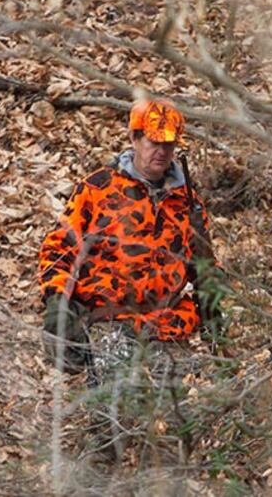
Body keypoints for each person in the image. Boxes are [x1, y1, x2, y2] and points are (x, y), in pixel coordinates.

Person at [37, 98, 218, 378]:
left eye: (168, 144)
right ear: (134, 138)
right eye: (153, 142)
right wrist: (56, 302)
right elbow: (58, 250)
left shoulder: (187, 202)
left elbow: (205, 269)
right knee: (116, 402)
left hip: (166, 324)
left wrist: (215, 318)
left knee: (178, 407)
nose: (161, 151)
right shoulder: (97, 189)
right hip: (108, 320)